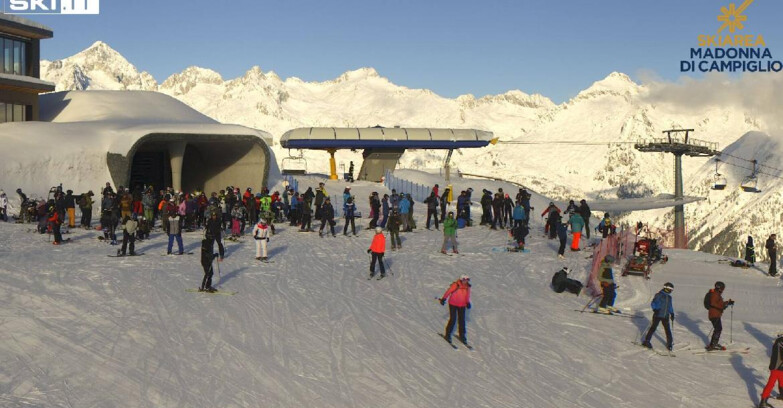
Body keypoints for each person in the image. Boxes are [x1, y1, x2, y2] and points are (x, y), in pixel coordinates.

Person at [439, 274, 472, 345]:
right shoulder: (456, 285)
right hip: (453, 304)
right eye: (464, 280)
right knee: (453, 319)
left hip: (462, 305)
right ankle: (447, 335)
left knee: (462, 320)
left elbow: (467, 295)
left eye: (467, 280)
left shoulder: (467, 287)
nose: (465, 281)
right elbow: (448, 291)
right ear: (461, 279)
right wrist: (444, 298)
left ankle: (462, 335)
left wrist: (467, 302)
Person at [641, 282, 675, 351]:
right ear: (666, 288)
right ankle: (647, 341)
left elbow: (670, 306)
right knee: (653, 327)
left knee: (667, 330)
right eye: (670, 289)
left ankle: (669, 343)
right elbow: (653, 303)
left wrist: (672, 313)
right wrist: (655, 309)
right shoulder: (659, 295)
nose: (671, 291)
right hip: (658, 314)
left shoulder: (669, 297)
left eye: (672, 289)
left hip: (665, 316)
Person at [707, 281, 734, 351]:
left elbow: (719, 304)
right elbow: (713, 303)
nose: (723, 290)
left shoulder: (716, 294)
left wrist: (727, 303)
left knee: (718, 329)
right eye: (722, 288)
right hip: (714, 314)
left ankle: (713, 344)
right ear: (719, 288)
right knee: (718, 329)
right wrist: (722, 306)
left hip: (715, 314)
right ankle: (713, 345)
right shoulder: (715, 294)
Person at [758, 332, 783, 408]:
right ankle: (763, 402)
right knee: (771, 384)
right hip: (777, 367)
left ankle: (782, 395)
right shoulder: (781, 342)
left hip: (778, 366)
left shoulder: (779, 340)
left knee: (782, 380)